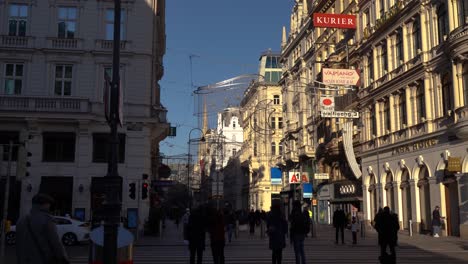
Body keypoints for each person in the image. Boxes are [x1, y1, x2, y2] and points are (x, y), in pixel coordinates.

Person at [16, 193, 69, 264]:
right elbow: (56, 243)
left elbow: (19, 244)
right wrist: (63, 259)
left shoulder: (21, 220)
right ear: (44, 204)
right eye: (49, 204)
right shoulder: (47, 219)